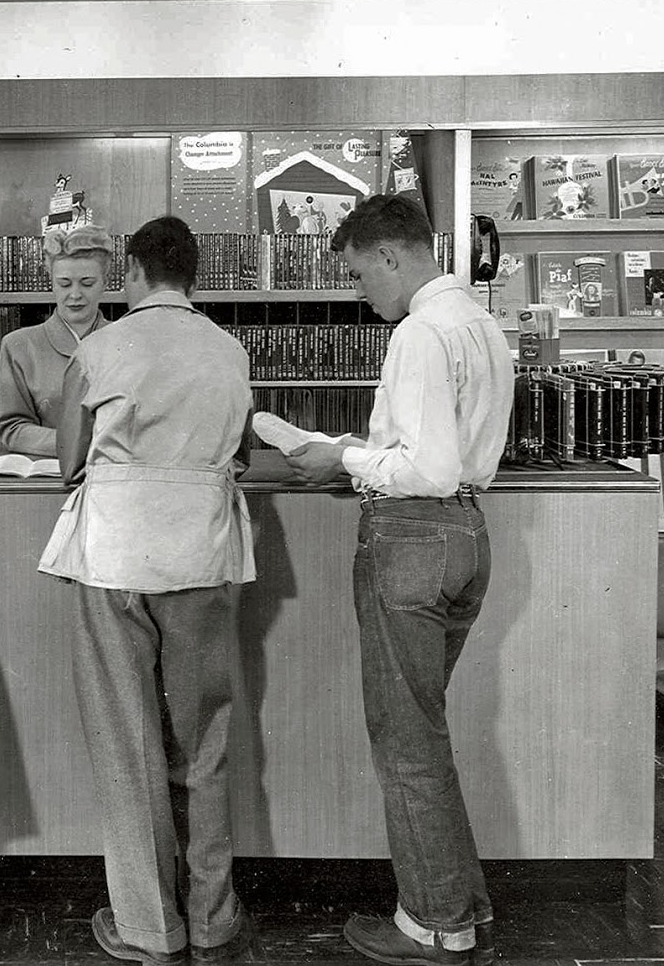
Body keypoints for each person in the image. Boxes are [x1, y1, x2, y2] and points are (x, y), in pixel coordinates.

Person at [282, 194, 512, 966]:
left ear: (390, 255)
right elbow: (445, 456)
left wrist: (341, 457)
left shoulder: (419, 331)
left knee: (405, 740)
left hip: (412, 535)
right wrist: (363, 450)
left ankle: (435, 923)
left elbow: (425, 467)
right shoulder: (479, 323)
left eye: (356, 273)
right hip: (466, 534)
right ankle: (460, 906)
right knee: (423, 732)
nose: (358, 292)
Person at [40, 215, 256, 965]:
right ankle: (213, 916)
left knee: (125, 742)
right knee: (206, 741)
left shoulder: (99, 348)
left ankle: (147, 926)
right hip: (201, 551)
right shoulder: (230, 349)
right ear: (193, 275)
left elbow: (70, 459)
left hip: (116, 553)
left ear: (130, 273)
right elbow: (244, 449)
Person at [0, 224, 112, 455]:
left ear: (105, 283)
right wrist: (83, 443)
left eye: (87, 283)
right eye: (64, 284)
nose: (75, 294)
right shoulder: (18, 345)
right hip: (47, 480)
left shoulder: (126, 341)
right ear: (51, 282)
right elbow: (12, 429)